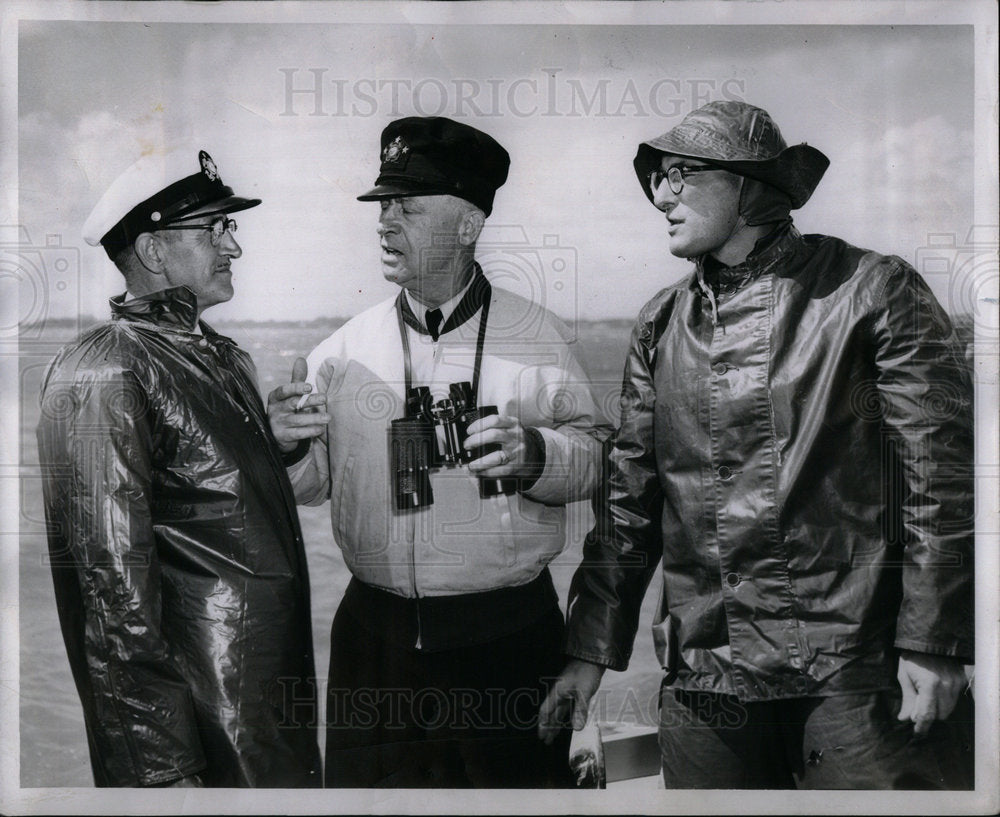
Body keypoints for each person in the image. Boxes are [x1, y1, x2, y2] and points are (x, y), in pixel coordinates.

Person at [539, 100, 975, 789]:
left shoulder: (872, 291)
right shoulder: (658, 324)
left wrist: (932, 640)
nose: (661, 195)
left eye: (682, 174)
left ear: (748, 188)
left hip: (854, 676)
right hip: (707, 680)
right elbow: (626, 505)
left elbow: (939, 478)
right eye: (658, 177)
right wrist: (590, 651)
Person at [267, 116, 608, 787]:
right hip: (376, 647)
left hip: (509, 645)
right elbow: (313, 487)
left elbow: (598, 463)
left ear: (467, 225)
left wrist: (535, 452)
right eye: (383, 208)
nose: (385, 225)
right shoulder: (341, 351)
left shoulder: (538, 337)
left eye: (407, 209)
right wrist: (286, 448)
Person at [37, 146, 322, 787]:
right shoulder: (106, 370)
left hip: (259, 717)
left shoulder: (219, 357)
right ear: (154, 251)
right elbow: (110, 590)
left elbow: (201, 508)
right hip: (202, 738)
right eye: (214, 228)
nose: (234, 247)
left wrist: (269, 447)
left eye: (231, 227)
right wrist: (161, 766)